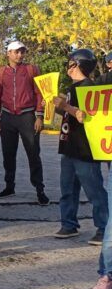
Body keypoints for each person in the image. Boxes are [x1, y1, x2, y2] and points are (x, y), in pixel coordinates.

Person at [52, 49, 108, 245]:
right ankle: (69, 224)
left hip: (84, 149)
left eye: (70, 62)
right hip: (68, 146)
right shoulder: (71, 88)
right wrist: (57, 106)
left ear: (76, 64)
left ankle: (104, 228)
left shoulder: (89, 88)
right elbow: (68, 113)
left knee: (94, 190)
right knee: (67, 188)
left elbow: (86, 116)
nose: (67, 65)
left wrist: (66, 107)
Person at [0, 41, 49, 205]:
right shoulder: (0, 72)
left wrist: (39, 116)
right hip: (8, 116)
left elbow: (39, 93)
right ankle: (9, 187)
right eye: (16, 52)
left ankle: (40, 189)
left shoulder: (31, 69)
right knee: (8, 154)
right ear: (8, 53)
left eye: (22, 52)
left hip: (27, 115)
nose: (20, 55)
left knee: (33, 153)